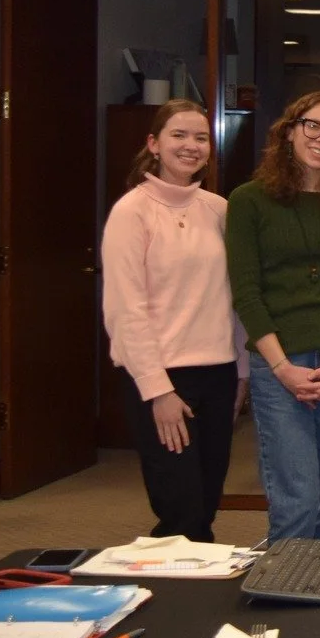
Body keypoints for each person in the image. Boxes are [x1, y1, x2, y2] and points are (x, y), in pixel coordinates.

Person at [226, 90, 320, 541]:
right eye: (313, 126)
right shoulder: (248, 201)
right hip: (280, 363)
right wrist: (282, 368)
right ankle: (287, 602)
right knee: (297, 498)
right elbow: (247, 294)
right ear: (290, 129)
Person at [100, 99, 245, 542]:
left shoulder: (220, 209)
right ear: (154, 144)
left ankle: (192, 592)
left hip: (219, 375)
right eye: (178, 135)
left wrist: (240, 374)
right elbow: (126, 310)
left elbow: (235, 298)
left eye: (201, 137)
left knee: (205, 502)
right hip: (163, 380)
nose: (191, 145)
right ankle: (178, 599)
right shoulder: (132, 212)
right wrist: (158, 390)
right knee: (179, 507)